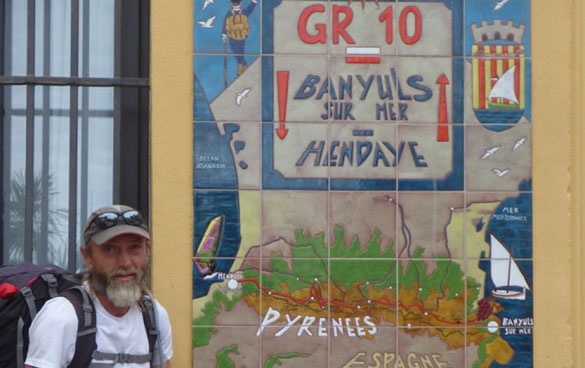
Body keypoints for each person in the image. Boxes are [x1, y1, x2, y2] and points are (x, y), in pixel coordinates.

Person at [24, 205, 173, 368]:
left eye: (134, 248)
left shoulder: (154, 316)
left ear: (148, 251)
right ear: (87, 257)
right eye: (110, 249)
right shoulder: (61, 317)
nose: (125, 262)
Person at [222, 0, 258, 76]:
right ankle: (244, 65)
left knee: (237, 53)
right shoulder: (244, 12)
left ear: (231, 3)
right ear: (241, 2)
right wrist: (254, 2)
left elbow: (225, 24)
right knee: (239, 53)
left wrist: (224, 35)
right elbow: (250, 8)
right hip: (242, 37)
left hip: (232, 37)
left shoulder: (229, 13)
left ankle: (241, 67)